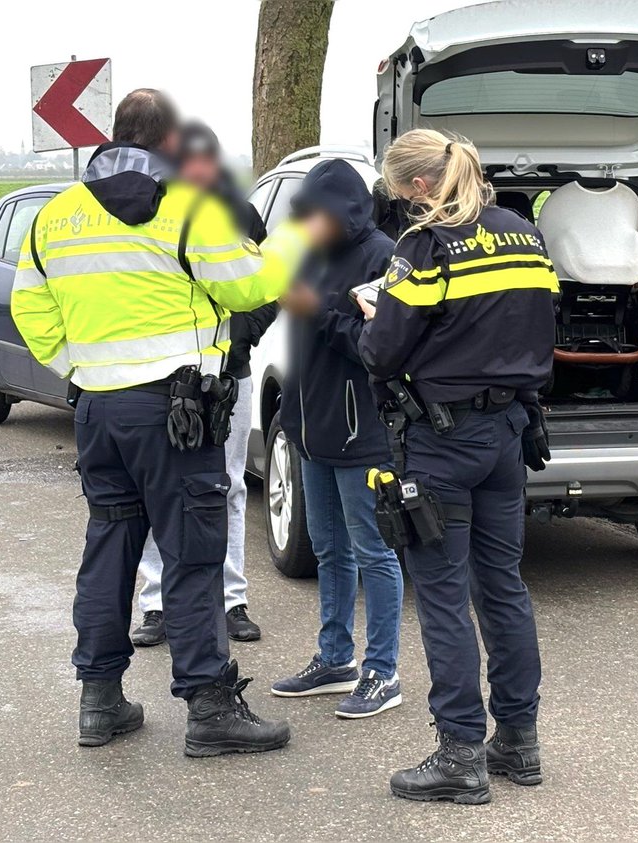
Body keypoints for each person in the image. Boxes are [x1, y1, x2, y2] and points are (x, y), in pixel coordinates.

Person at [11, 89, 325, 754]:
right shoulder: (188, 209)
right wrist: (296, 234)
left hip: (98, 409)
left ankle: (100, 701)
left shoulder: (55, 216)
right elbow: (247, 287)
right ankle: (210, 707)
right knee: (193, 553)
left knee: (109, 549)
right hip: (176, 412)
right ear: (168, 143)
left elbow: (29, 310)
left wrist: (87, 368)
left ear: (113, 137)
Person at [358, 129, 560, 803]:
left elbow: (383, 353)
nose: (395, 204)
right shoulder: (523, 235)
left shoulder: (425, 247)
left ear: (420, 186)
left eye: (395, 190)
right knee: (501, 586)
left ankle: (460, 754)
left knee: (443, 596)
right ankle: (519, 741)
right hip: (507, 432)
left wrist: (371, 311)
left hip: (440, 442)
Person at [130, 120, 277, 648]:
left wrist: (241, 338)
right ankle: (156, 603)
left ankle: (232, 600)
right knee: (157, 492)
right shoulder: (150, 214)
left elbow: (267, 288)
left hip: (228, 377)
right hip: (165, 381)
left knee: (231, 485)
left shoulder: (239, 215)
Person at [271, 159, 404, 719]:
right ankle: (334, 658)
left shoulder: (384, 256)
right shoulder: (308, 252)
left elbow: (382, 344)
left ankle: (383, 672)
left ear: (347, 211)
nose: (312, 226)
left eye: (320, 216)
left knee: (373, 551)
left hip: (361, 432)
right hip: (310, 427)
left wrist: (317, 310)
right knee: (328, 549)